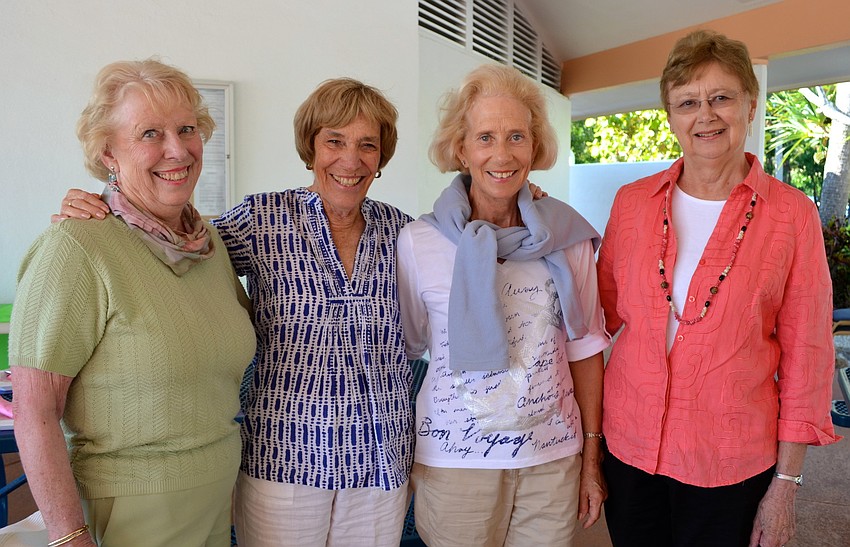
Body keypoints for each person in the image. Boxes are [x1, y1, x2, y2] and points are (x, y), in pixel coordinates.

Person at [56, 78, 414, 547]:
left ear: (382, 156)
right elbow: (169, 244)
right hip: (284, 460)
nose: (351, 160)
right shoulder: (264, 219)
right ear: (310, 148)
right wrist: (102, 204)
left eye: (368, 144)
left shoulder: (404, 233)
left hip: (381, 462)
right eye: (334, 141)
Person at [596, 30, 841, 547]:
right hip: (629, 448)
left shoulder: (792, 215)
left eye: (721, 97)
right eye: (687, 102)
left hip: (730, 461)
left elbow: (809, 355)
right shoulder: (632, 204)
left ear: (750, 104)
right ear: (670, 116)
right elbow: (596, 320)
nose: (705, 115)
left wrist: (787, 483)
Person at [9, 59, 256, 546]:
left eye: (187, 129)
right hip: (131, 512)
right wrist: (69, 539)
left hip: (218, 503)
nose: (177, 149)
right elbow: (34, 411)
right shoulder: (76, 247)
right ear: (108, 152)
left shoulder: (207, 243)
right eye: (149, 133)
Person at [397, 63, 609, 547]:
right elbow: (411, 344)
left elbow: (585, 347)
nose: (502, 153)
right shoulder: (418, 241)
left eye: (517, 137)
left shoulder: (567, 237)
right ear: (461, 149)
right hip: (455, 462)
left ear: (534, 148)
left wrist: (591, 456)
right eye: (485, 137)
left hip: (551, 460)